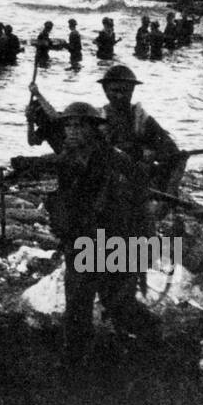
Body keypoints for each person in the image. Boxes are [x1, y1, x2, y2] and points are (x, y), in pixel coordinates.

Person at [42, 102, 160, 366]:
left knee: (118, 303)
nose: (71, 131)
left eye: (78, 126)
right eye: (68, 125)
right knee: (77, 304)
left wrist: (143, 246)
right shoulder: (69, 158)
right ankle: (75, 361)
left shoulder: (115, 159)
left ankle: (149, 342)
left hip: (115, 241)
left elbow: (141, 202)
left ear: (93, 130)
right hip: (81, 241)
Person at [97, 65, 181, 193]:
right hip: (103, 180)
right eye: (114, 90)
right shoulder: (97, 118)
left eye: (125, 91)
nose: (119, 96)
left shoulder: (142, 120)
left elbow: (171, 153)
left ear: (132, 91)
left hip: (135, 182)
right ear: (105, 90)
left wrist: (144, 153)